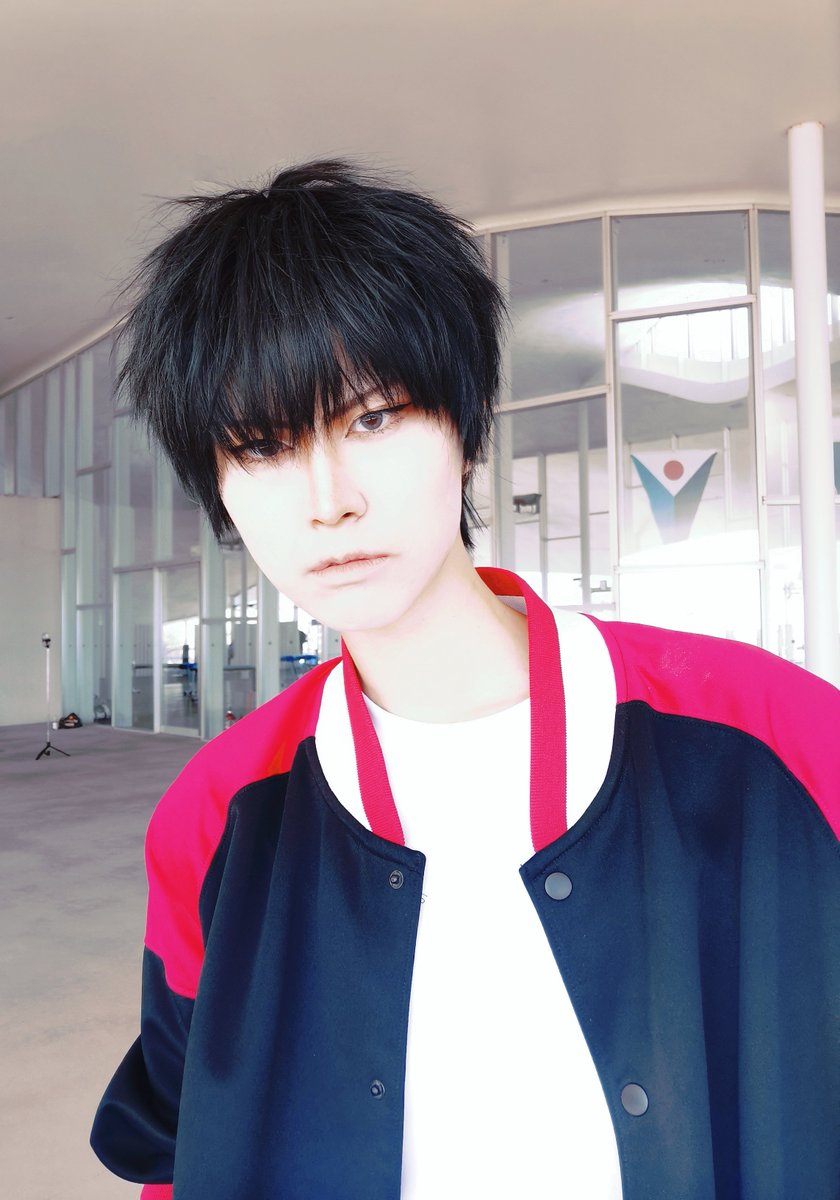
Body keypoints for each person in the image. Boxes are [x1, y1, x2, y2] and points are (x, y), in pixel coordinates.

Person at [90, 160, 840, 1199]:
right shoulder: (218, 813)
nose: (328, 500)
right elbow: (181, 1141)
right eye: (262, 446)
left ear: (466, 424)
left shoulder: (767, 732)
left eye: (372, 419)